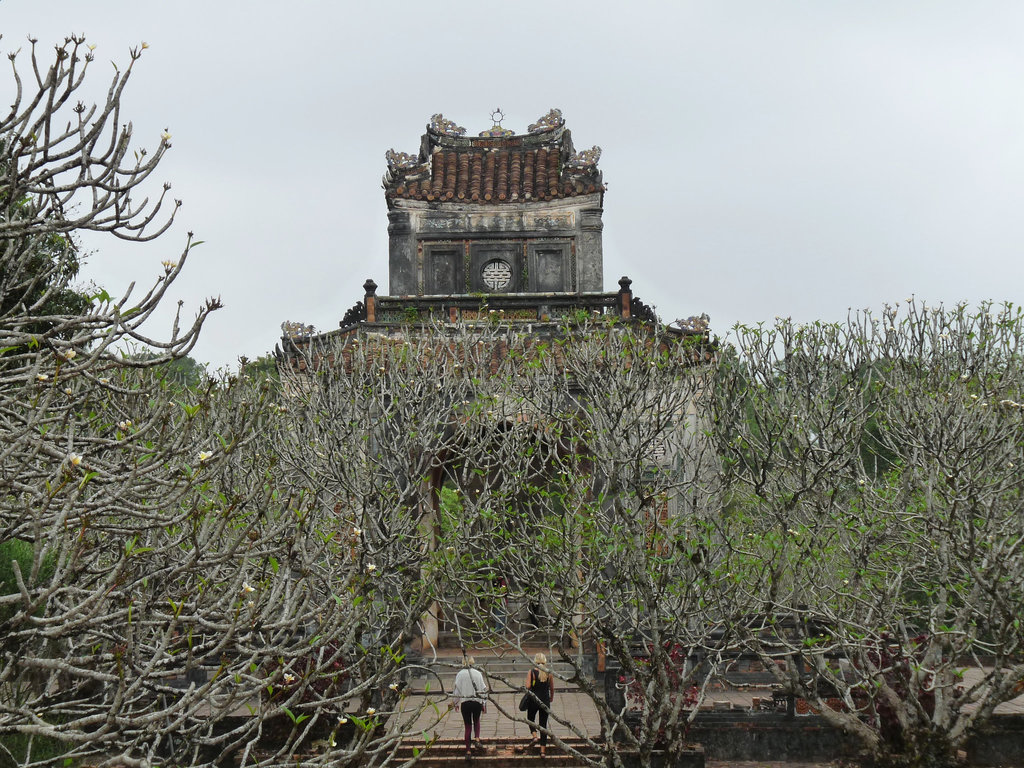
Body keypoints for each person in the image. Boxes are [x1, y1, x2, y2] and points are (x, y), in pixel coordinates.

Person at [451, 655, 488, 757]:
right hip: (476, 702)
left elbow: (457, 690)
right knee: (476, 721)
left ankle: (468, 750)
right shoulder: (478, 673)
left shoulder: (460, 674)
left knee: (468, 726)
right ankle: (477, 739)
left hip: (465, 703)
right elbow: (483, 689)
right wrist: (484, 703)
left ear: (463, 663)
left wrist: (455, 702)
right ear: (473, 662)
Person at [524, 652, 555, 756]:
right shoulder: (548, 673)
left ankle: (534, 736)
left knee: (530, 719)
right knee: (543, 725)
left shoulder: (532, 672)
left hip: (534, 700)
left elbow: (528, 686)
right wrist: (551, 698)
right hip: (545, 701)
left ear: (535, 660)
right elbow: (552, 688)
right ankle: (542, 751)